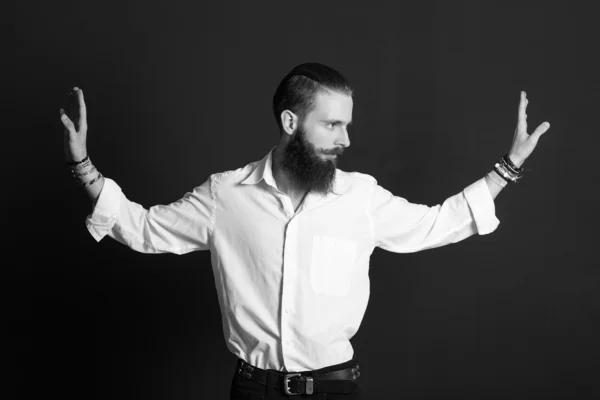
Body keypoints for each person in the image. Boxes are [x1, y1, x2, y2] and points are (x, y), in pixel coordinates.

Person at [60, 62, 551, 399]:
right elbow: (145, 229)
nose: (346, 140)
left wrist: (506, 168)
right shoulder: (225, 195)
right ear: (290, 121)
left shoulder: (361, 196)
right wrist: (83, 165)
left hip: (336, 388)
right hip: (252, 390)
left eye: (347, 126)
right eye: (332, 125)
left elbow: (437, 222)